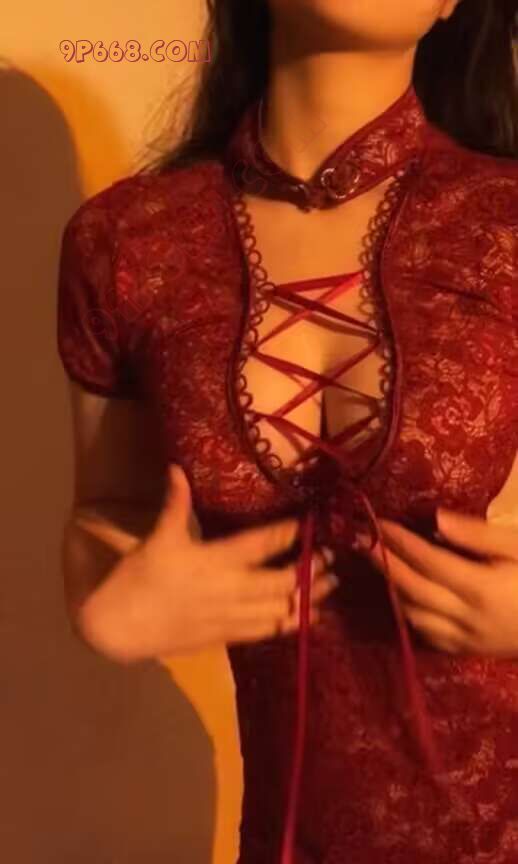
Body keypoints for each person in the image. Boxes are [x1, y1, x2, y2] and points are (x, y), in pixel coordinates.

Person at [57, 1, 518, 861]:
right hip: (286, 832)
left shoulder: (506, 220)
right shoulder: (126, 243)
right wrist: (101, 599)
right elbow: (106, 507)